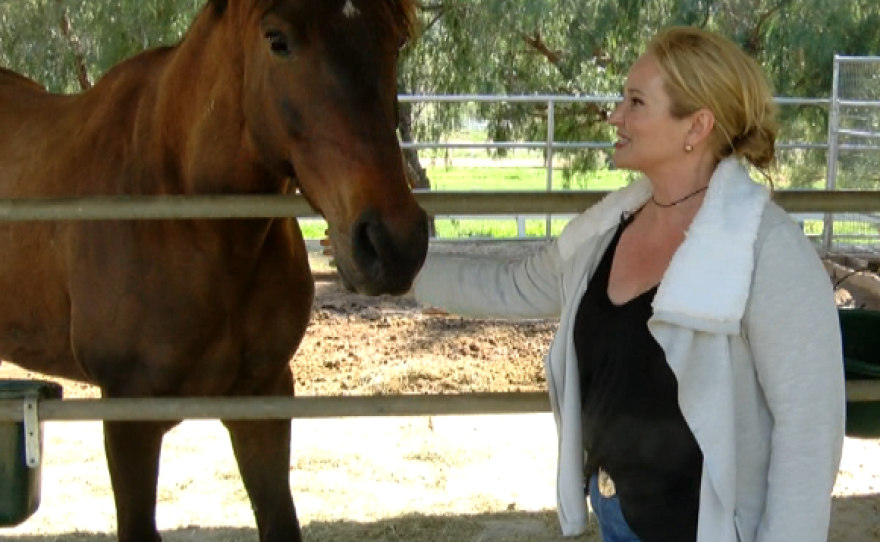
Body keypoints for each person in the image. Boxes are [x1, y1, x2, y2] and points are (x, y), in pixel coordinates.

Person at [407, 26, 845, 542]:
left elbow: (808, 436)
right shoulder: (608, 227)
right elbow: (512, 285)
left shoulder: (766, 251)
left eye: (636, 102)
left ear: (696, 125)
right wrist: (393, 271)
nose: (615, 115)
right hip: (616, 520)